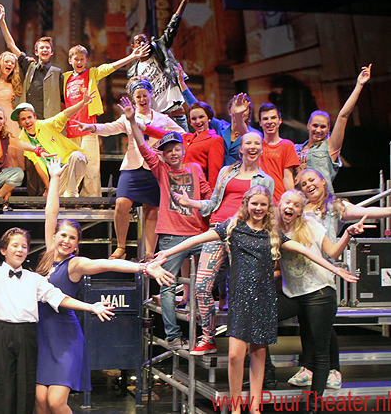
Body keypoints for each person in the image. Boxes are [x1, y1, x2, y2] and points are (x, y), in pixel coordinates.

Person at [156, 186, 358, 414]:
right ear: (246, 204)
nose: (258, 208)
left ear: (268, 207)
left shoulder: (272, 233)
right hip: (240, 300)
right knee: (235, 355)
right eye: (255, 203)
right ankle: (235, 408)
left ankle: (254, 408)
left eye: (263, 204)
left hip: (264, 300)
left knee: (259, 355)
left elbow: (304, 251)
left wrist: (335, 269)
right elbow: (197, 239)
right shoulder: (233, 227)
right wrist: (168, 252)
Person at [34, 157, 173, 414]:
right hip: (42, 335)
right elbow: (50, 213)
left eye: (72, 238)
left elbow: (108, 264)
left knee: (55, 402)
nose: (66, 241)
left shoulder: (76, 264)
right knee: (40, 401)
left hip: (65, 337)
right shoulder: (48, 255)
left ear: (77, 245)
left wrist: (143, 268)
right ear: (54, 236)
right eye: (63, 235)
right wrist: (54, 179)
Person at [0, 225, 115, 414]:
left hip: (27, 334)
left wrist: (90, 306)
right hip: (1, 334)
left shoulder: (35, 279)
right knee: (2, 385)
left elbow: (59, 298)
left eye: (24, 247)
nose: (20, 250)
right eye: (15, 246)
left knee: (27, 387)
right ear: (3, 250)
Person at [266, 190, 371, 405]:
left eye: (296, 205)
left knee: (320, 350)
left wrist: (348, 233)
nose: (290, 207)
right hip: (292, 295)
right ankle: (267, 372)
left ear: (300, 211)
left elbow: (333, 253)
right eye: (287, 202)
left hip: (319, 293)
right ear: (280, 204)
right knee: (259, 319)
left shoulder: (310, 225)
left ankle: (314, 405)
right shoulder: (273, 229)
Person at [174, 132, 274, 355]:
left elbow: (265, 213)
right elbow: (213, 203)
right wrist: (191, 203)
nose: (252, 147)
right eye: (248, 143)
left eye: (257, 143)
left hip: (243, 234)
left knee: (242, 290)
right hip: (218, 229)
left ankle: (243, 339)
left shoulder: (265, 180)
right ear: (241, 148)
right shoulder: (226, 172)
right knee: (201, 286)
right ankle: (208, 338)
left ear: (261, 148)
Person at [122, 100, 211, 350]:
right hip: (171, 236)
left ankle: (208, 333)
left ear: (183, 150)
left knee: (211, 277)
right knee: (168, 286)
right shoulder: (161, 170)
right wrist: (131, 121)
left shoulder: (195, 168)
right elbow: (143, 149)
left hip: (198, 234)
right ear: (163, 154)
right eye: (167, 150)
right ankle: (173, 336)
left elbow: (208, 195)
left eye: (176, 149)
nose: (172, 153)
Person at [76, 77, 184, 259]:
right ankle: (121, 247)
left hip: (154, 167)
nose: (142, 99)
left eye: (144, 95)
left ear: (151, 95)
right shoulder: (128, 117)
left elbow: (180, 134)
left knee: (151, 211)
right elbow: (109, 128)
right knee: (121, 204)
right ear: (133, 98)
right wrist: (91, 127)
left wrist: (164, 147)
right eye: (138, 96)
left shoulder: (162, 118)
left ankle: (149, 254)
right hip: (132, 166)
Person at [63, 43, 149, 197]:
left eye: (82, 59)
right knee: (70, 164)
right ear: (70, 60)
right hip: (70, 129)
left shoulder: (92, 74)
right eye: (76, 59)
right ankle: (69, 196)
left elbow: (110, 67)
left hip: (88, 128)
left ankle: (91, 198)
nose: (79, 62)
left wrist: (132, 56)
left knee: (91, 166)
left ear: (87, 60)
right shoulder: (64, 78)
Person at [295, 65, 372, 193]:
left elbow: (343, 116)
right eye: (315, 126)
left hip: (323, 201)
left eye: (323, 127)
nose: (318, 130)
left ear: (328, 129)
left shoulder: (329, 146)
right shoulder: (295, 148)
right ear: (308, 125)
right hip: (300, 202)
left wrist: (359, 85)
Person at [126, 0, 193, 131]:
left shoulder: (159, 49)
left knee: (183, 143)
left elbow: (172, 27)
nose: (142, 43)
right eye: (138, 42)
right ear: (133, 47)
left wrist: (183, 2)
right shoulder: (133, 72)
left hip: (175, 112)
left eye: (144, 40)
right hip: (156, 118)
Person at [12, 91, 95, 197]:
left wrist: (82, 103)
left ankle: (72, 194)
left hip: (71, 163)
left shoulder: (46, 125)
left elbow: (64, 115)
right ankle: (68, 196)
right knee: (54, 197)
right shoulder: (23, 138)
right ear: (19, 123)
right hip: (58, 173)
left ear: (35, 117)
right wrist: (48, 187)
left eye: (29, 117)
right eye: (23, 119)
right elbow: (38, 164)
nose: (27, 121)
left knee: (76, 156)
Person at [177, 64, 258, 167]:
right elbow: (198, 109)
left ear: (249, 113)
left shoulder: (254, 134)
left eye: (245, 109)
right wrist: (182, 84)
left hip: (241, 175)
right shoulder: (220, 127)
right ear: (229, 111)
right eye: (237, 107)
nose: (241, 111)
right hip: (218, 174)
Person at [0, 4, 63, 120]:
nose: (45, 50)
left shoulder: (57, 73)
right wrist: (2, 21)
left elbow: (65, 99)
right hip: (28, 121)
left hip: (48, 123)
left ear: (52, 52)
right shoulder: (29, 66)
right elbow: (11, 45)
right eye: (42, 48)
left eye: (47, 48)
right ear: (36, 52)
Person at [0, 52, 24, 168]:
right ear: (0, 63)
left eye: (12, 63)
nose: (9, 64)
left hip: (9, 123)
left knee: (10, 155)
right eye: (6, 61)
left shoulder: (13, 85)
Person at [258, 103, 300, 203]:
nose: (269, 122)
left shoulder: (287, 145)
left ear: (280, 120)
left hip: (279, 201)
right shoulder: (256, 146)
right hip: (259, 200)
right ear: (260, 123)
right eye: (265, 119)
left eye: (273, 118)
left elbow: (288, 177)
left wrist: (291, 201)